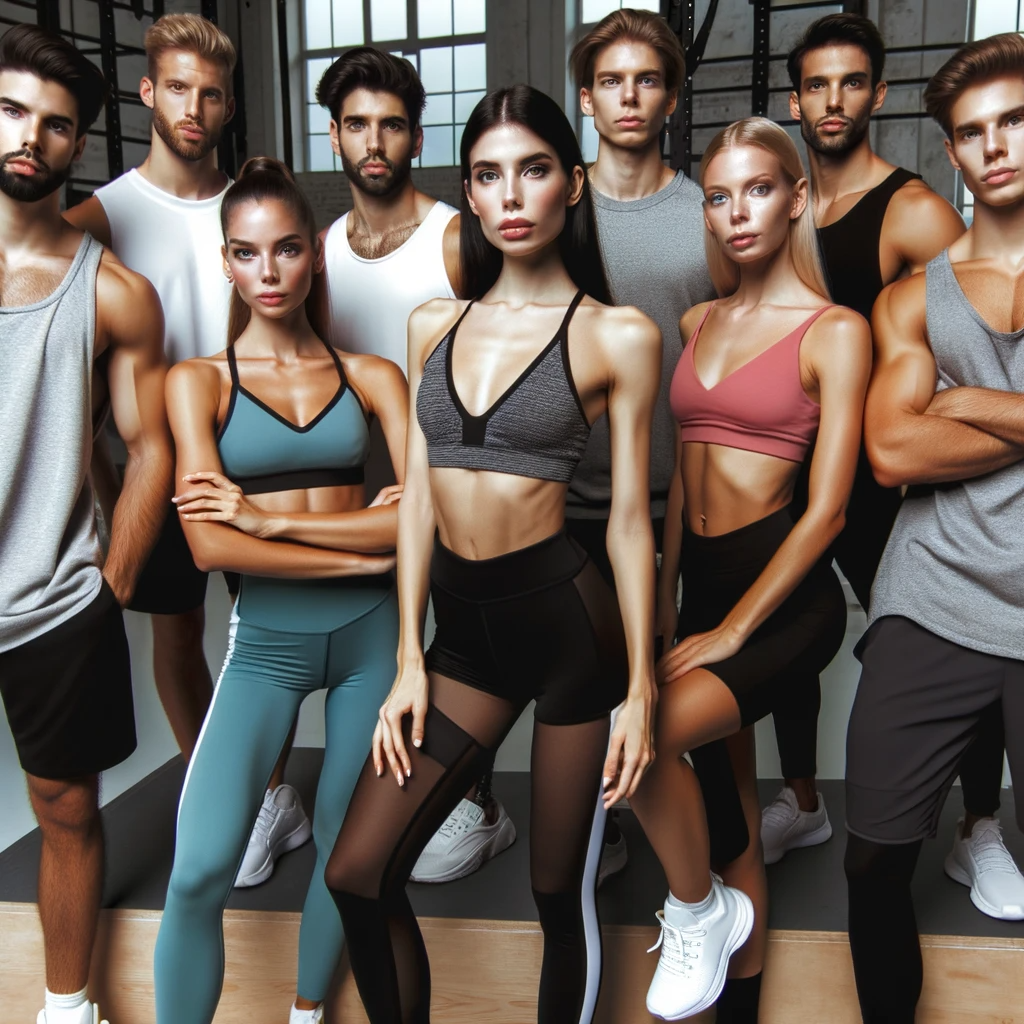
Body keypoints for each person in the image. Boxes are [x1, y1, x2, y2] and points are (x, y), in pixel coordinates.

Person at [323, 84, 661, 1024]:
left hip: (567, 632)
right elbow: (419, 497)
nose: (511, 195)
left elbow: (630, 521)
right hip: (462, 635)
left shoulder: (616, 335)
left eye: (535, 170)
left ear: (573, 185)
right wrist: (406, 660)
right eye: (488, 175)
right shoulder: (435, 322)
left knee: (560, 894)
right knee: (358, 873)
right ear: (469, 196)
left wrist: (640, 689)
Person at [764, 19, 1021, 909]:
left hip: (909, 480)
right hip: (806, 451)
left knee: (955, 641)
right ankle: (800, 798)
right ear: (794, 100)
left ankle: (978, 825)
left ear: (875, 94)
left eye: (853, 81)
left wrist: (956, 409)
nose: (834, 100)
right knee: (786, 628)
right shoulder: (784, 200)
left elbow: (977, 337)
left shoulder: (913, 209)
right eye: (817, 84)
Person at [152, 158, 407, 1024]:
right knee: (197, 870)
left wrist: (264, 525)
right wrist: (359, 552)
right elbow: (203, 541)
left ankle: (306, 1015)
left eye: (287, 249)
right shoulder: (197, 383)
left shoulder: (374, 377)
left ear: (315, 257)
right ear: (226, 263)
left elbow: (423, 525)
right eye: (247, 253)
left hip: (373, 644)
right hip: (265, 644)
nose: (268, 272)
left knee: (343, 853)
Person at [631, 117, 870, 1023]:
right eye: (719, 195)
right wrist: (667, 608)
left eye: (759, 189)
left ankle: (696, 910)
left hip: (784, 599)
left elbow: (831, 509)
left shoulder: (833, 331)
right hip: (702, 586)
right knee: (729, 809)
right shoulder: (699, 320)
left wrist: (731, 631)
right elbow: (685, 475)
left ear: (797, 198)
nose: (737, 212)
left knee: (643, 741)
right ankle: (735, 997)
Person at [65, 13, 311, 888]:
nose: (194, 107)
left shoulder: (249, 206)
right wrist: (103, 483)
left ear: (229, 101)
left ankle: (275, 795)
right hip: (160, 462)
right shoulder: (98, 216)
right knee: (177, 640)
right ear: (147, 92)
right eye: (177, 88)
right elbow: (78, 365)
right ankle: (219, 793)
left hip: (261, 451)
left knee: (273, 636)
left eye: (210, 93)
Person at [844, 34, 1024, 1022]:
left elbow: (930, 430)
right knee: (871, 853)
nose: (994, 146)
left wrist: (966, 405)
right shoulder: (911, 298)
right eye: (970, 133)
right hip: (934, 590)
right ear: (950, 153)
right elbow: (891, 455)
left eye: (1012, 121)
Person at [0, 25, 172, 1024]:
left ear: (79, 146)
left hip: (56, 596)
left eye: (57, 125)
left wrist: (116, 573)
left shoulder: (115, 292)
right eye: (15, 111)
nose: (33, 137)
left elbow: (149, 444)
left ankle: (69, 1008)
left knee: (64, 809)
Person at [313, 46, 515, 885]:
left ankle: (479, 805)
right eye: (358, 123)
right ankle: (398, 787)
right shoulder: (323, 247)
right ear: (333, 137)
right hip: (378, 483)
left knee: (467, 643)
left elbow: (512, 350)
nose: (374, 140)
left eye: (391, 125)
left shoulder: (453, 239)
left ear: (415, 136)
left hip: (468, 482)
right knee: (389, 644)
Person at [568, 7, 717, 882]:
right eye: (612, 80)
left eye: (648, 79)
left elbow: (734, 344)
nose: (630, 96)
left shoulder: (704, 210)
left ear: (671, 95)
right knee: (585, 680)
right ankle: (603, 831)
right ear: (587, 98)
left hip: (676, 495)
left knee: (669, 679)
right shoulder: (555, 199)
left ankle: (693, 860)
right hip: (568, 494)